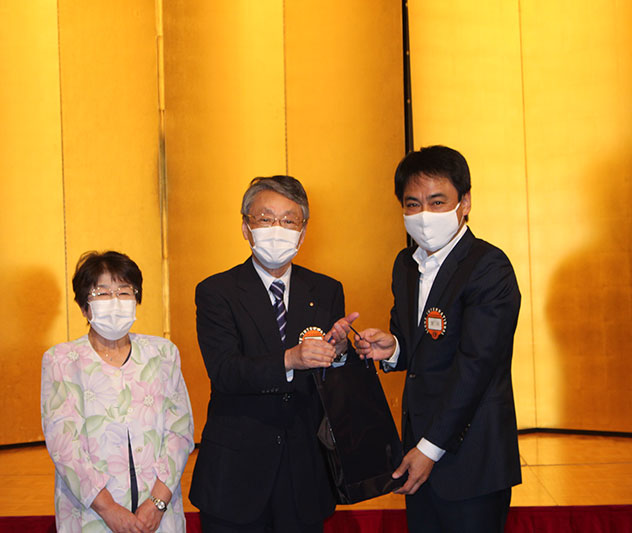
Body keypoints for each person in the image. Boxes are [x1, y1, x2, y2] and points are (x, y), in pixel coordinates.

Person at [354, 146, 522, 533]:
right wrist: (393, 348)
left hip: (471, 460)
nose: (424, 215)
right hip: (418, 453)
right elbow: (417, 345)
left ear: (465, 202)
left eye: (437, 201)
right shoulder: (405, 265)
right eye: (412, 204)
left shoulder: (488, 267)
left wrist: (429, 449)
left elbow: (477, 367)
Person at [190, 175, 358, 533]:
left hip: (304, 473)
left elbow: (334, 383)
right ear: (246, 228)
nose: (277, 229)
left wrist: (342, 352)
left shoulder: (326, 290)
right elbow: (225, 371)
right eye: (265, 219)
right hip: (236, 474)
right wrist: (290, 359)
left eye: (288, 220)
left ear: (303, 231)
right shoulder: (217, 291)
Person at [41, 251, 194, 533]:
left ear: (136, 299)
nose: (114, 301)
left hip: (157, 515)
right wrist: (108, 509)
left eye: (124, 292)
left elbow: (180, 432)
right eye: (101, 293)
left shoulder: (162, 354)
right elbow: (64, 445)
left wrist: (158, 502)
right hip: (93, 515)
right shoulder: (61, 360)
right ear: (84, 306)